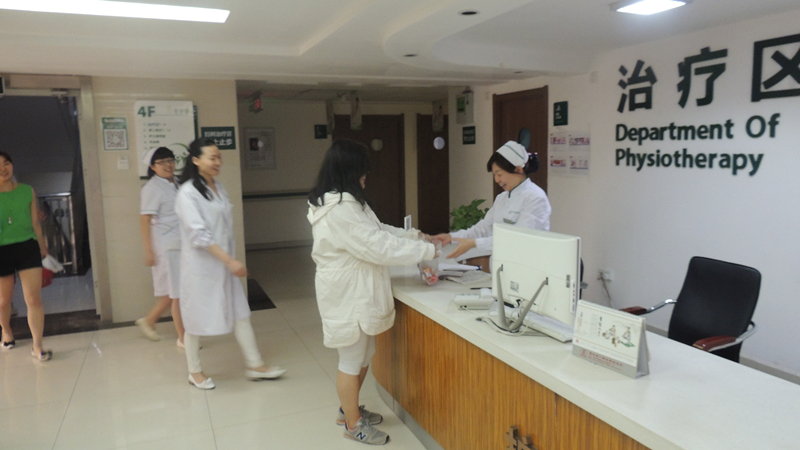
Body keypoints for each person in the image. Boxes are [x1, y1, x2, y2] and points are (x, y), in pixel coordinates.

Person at [307, 139, 436, 445]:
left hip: (356, 288)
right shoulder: (339, 209)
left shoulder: (349, 202)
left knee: (364, 354)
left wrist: (415, 237)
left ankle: (348, 410)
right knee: (351, 359)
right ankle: (353, 425)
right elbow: (377, 246)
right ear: (348, 171)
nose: (366, 176)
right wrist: (426, 250)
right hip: (347, 292)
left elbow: (379, 231)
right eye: (362, 170)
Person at [175, 138, 285, 390]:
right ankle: (194, 371)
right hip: (202, 268)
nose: (217, 162)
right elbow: (199, 235)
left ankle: (255, 365)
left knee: (241, 314)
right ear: (196, 160)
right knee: (195, 320)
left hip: (224, 265)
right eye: (211, 158)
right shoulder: (187, 193)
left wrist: (229, 261)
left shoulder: (218, 187)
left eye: (219, 157)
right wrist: (230, 261)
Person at [433, 140, 551, 259]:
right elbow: (484, 228)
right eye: (494, 175)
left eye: (499, 174)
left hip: (526, 264)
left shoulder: (535, 198)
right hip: (502, 264)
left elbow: (519, 239)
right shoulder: (502, 198)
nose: (497, 180)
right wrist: (451, 237)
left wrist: (475, 243)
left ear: (518, 170)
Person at [0, 151, 52, 361]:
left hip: (27, 246)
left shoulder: (27, 190)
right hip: (1, 250)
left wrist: (42, 246)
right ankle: (6, 332)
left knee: (33, 298)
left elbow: (35, 222)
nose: (3, 168)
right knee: (3, 301)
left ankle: (37, 346)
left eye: (6, 163)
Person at [136, 147, 185, 347]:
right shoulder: (152, 188)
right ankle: (183, 337)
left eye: (170, 160)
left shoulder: (178, 182)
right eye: (162, 162)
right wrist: (148, 250)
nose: (168, 165)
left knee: (174, 290)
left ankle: (149, 320)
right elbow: (144, 220)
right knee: (175, 291)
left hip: (182, 242)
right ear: (153, 167)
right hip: (166, 246)